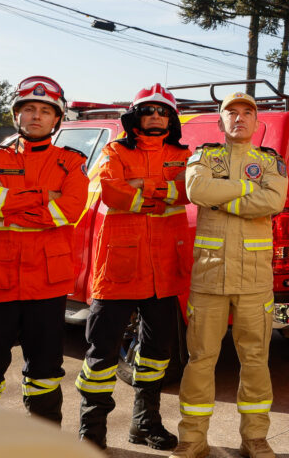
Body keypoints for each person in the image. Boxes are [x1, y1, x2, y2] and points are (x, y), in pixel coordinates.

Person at [0, 76, 89, 424]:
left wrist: (11, 200)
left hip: (45, 285)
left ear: (57, 119)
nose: (36, 116)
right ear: (16, 115)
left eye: (45, 111)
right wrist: (46, 198)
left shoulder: (72, 163)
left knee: (45, 374)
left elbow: (71, 209)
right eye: (28, 109)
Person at [171, 91, 288, 458]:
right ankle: (192, 439)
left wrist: (220, 198)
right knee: (200, 360)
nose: (239, 118)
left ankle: (255, 438)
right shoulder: (203, 156)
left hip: (254, 280)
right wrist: (248, 192)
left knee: (256, 361)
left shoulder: (270, 161)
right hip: (209, 276)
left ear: (257, 123)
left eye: (247, 113)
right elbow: (195, 189)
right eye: (231, 112)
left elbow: (274, 201)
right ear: (220, 121)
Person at [76, 84, 192, 450]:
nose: (156, 116)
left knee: (158, 355)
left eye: (163, 112)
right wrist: (164, 188)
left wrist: (140, 186)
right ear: (135, 117)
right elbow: (112, 191)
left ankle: (145, 423)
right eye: (149, 111)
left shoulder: (183, 154)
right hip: (119, 269)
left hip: (163, 271)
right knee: (101, 354)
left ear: (171, 119)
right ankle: (91, 431)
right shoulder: (114, 149)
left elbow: (189, 191)